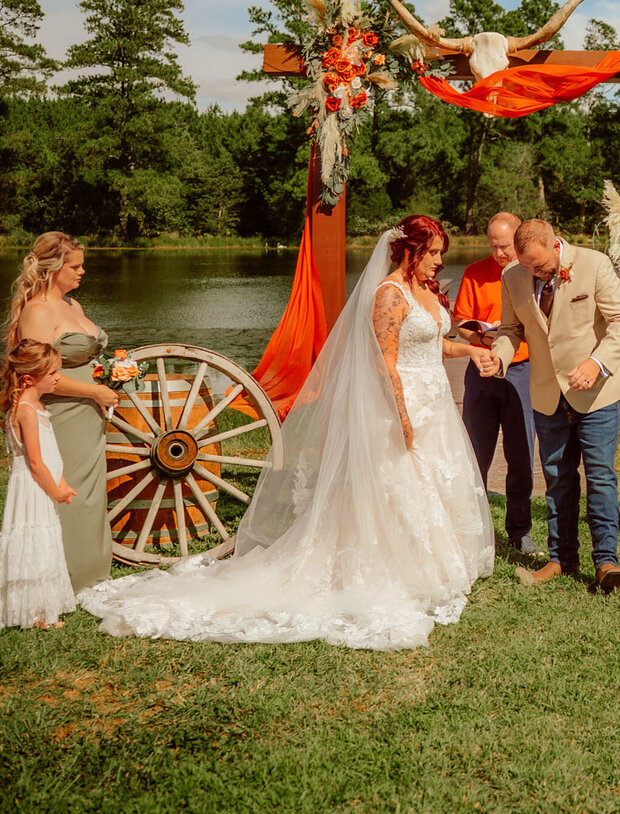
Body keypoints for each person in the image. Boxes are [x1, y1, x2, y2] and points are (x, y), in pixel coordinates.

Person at [79, 217, 494, 650]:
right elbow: (384, 362)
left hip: (435, 406)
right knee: (397, 484)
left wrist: (470, 350)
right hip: (399, 405)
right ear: (408, 252)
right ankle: (395, 567)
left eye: (440, 253)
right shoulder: (388, 294)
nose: (439, 262)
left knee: (433, 480)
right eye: (432, 254)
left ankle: (435, 563)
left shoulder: (424, 291)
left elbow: (431, 343)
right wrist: (403, 417)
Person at [485, 218, 620, 594]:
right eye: (526, 266)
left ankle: (607, 562)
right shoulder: (513, 276)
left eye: (538, 266)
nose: (532, 273)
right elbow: (511, 330)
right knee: (557, 477)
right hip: (546, 393)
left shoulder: (594, 264)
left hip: (597, 391)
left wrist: (596, 362)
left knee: (600, 475)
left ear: (555, 245)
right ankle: (561, 559)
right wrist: (500, 357)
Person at [7, 233, 119, 592]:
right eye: (75, 265)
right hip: (61, 415)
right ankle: (65, 577)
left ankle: (93, 570)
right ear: (53, 268)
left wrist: (114, 373)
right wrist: (93, 390)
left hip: (88, 414)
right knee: (67, 489)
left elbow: (85, 358)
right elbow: (38, 374)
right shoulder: (37, 311)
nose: (82, 271)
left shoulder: (74, 306)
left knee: (90, 492)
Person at [453, 211, 540, 554]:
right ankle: (472, 529)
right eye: (493, 246)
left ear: (519, 241)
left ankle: (519, 532)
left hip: (522, 370)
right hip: (483, 368)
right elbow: (462, 323)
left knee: (521, 453)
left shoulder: (531, 271)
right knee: (475, 452)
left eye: (505, 246)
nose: (499, 253)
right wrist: (480, 333)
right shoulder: (475, 273)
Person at [0, 340, 77, 629]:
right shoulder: (26, 411)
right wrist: (55, 489)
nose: (58, 377)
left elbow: (51, 452)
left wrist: (63, 482)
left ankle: (41, 610)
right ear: (29, 378)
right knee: (34, 542)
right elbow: (35, 461)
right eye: (53, 373)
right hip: (34, 486)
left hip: (42, 484)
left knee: (45, 544)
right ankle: (32, 613)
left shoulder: (37, 405)